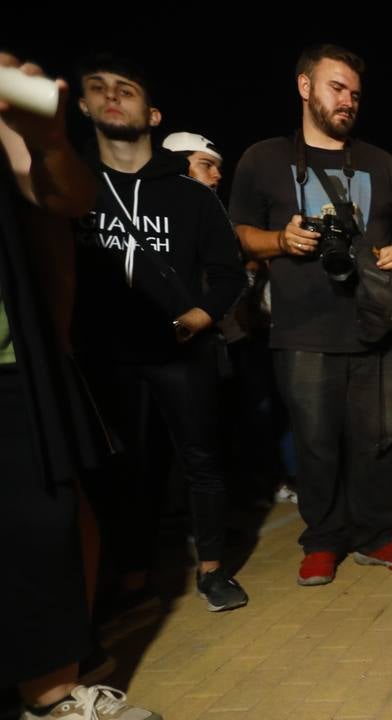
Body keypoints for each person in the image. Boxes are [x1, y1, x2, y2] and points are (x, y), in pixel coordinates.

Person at [1, 53, 162, 720]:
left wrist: (46, 140)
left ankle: (54, 676)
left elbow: (65, 200)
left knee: (55, 507)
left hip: (20, 352)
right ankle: (45, 695)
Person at [230, 44, 392, 586]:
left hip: (376, 324)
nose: (348, 101)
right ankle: (322, 540)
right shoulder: (263, 158)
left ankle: (376, 537)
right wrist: (280, 240)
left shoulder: (381, 162)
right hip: (303, 329)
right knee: (315, 443)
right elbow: (238, 231)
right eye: (337, 88)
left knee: (377, 441)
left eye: (355, 94)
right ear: (304, 86)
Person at [71, 53, 248, 612]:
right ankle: (133, 575)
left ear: (152, 115)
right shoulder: (73, 187)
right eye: (98, 87)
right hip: (105, 356)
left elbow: (230, 273)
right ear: (83, 105)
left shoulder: (191, 195)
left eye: (126, 89)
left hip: (179, 351)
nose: (112, 96)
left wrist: (200, 316)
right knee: (123, 469)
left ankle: (213, 570)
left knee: (201, 461)